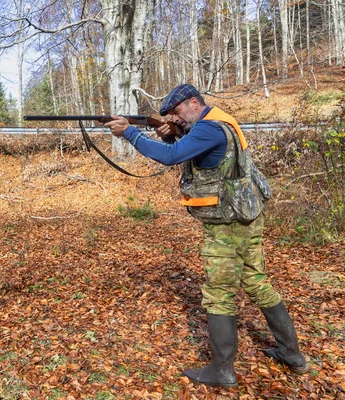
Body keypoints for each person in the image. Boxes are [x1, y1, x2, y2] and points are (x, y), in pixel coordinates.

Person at [104, 84, 309, 388]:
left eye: (176, 111)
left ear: (193, 103)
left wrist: (131, 133)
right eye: (170, 115)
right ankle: (293, 356)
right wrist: (172, 132)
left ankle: (222, 371)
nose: (175, 116)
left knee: (219, 293)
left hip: (226, 223)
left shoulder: (209, 128)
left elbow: (172, 156)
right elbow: (204, 155)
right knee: (255, 281)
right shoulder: (219, 121)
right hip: (246, 215)